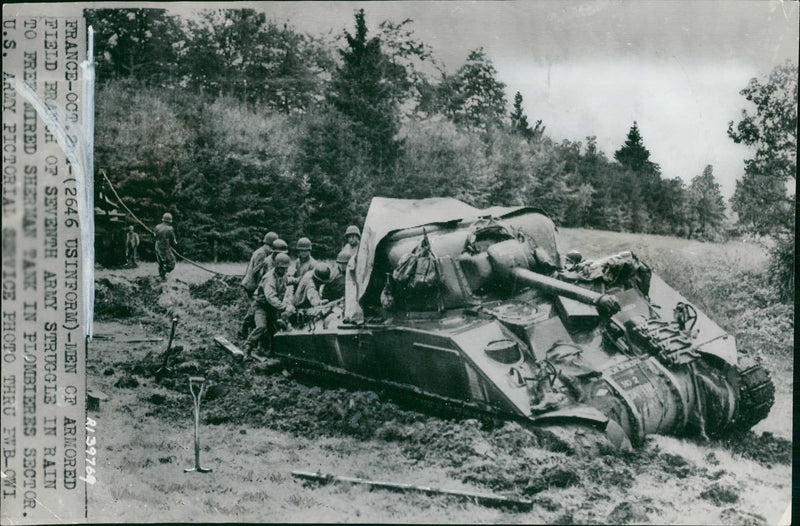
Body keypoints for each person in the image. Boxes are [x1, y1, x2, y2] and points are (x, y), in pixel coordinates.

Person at [245, 252, 295, 358]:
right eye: (283, 268)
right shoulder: (269, 278)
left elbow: (287, 280)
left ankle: (273, 353)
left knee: (276, 329)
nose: (285, 270)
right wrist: (285, 307)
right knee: (261, 326)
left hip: (272, 308)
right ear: (277, 266)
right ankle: (247, 348)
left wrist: (297, 280)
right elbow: (271, 297)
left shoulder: (281, 274)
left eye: (286, 268)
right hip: (261, 306)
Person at [239, 232, 279, 339]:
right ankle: (245, 328)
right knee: (255, 308)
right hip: (251, 285)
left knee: (254, 308)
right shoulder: (262, 254)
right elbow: (257, 272)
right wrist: (262, 285)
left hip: (251, 284)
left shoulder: (261, 251)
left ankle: (246, 328)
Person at [153, 213, 177, 280]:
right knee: (172, 262)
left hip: (157, 247)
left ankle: (161, 277)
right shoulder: (170, 229)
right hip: (165, 248)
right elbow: (173, 241)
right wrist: (175, 244)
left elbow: (154, 236)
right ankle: (162, 274)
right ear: (169, 221)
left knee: (161, 262)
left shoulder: (157, 227)